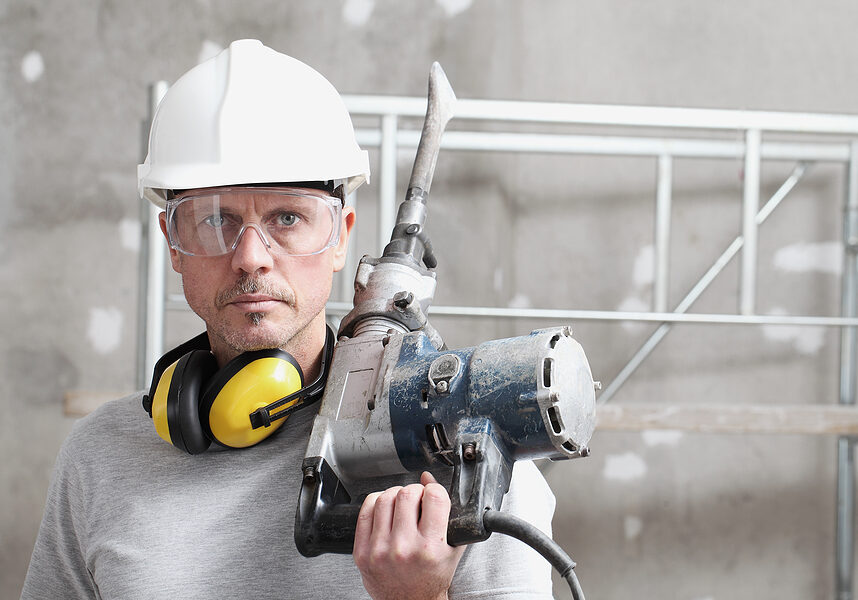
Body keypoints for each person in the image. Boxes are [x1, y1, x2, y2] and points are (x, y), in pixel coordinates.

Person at [21, 39, 556, 600]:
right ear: (173, 246)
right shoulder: (101, 458)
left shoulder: (464, 454)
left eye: (287, 217)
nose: (251, 255)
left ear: (341, 238)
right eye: (214, 219)